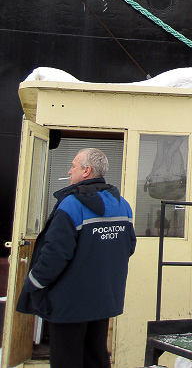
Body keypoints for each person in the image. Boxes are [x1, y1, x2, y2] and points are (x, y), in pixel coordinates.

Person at [17, 147, 136, 368]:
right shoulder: (122, 205)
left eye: (73, 166)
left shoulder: (71, 205)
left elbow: (55, 254)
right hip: (103, 298)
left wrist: (33, 283)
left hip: (68, 303)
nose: (69, 171)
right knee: (96, 356)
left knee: (66, 359)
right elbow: (128, 247)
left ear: (86, 171)